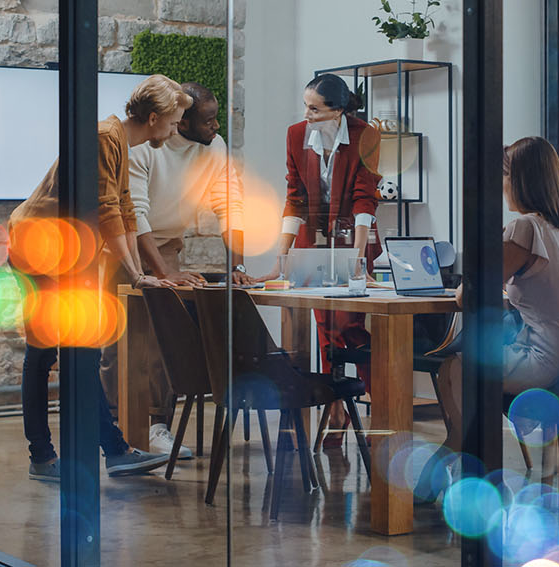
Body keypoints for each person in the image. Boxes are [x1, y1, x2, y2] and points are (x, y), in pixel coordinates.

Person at [7, 74, 193, 482]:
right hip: (40, 248)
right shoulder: (104, 137)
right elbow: (109, 211)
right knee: (47, 353)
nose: (176, 130)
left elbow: (123, 208)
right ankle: (53, 455)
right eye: (174, 122)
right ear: (152, 116)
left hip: (63, 252)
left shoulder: (120, 142)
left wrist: (143, 273)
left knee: (81, 350)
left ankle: (113, 450)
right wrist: (137, 274)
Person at [435, 136, 559, 446]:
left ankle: (461, 449)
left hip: (546, 365)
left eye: (504, 175)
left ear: (521, 180)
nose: (500, 183)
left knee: (454, 365)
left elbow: (470, 297)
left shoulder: (527, 228)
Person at [126, 82, 249, 458]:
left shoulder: (215, 147)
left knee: (165, 338)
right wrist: (161, 273)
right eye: (208, 120)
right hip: (127, 242)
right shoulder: (145, 147)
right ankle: (123, 431)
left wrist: (236, 265)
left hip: (166, 243)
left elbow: (230, 204)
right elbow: (135, 214)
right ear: (181, 123)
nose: (216, 127)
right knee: (124, 344)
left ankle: (155, 425)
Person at [265, 74, 382, 389]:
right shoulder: (296, 136)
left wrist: (357, 260)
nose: (307, 115)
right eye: (305, 107)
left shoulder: (364, 135)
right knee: (325, 326)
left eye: (314, 109)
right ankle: (337, 408)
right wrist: (281, 258)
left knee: (348, 323)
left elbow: (364, 198)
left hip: (353, 239)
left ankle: (378, 393)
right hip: (313, 246)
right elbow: (295, 199)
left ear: (338, 110)